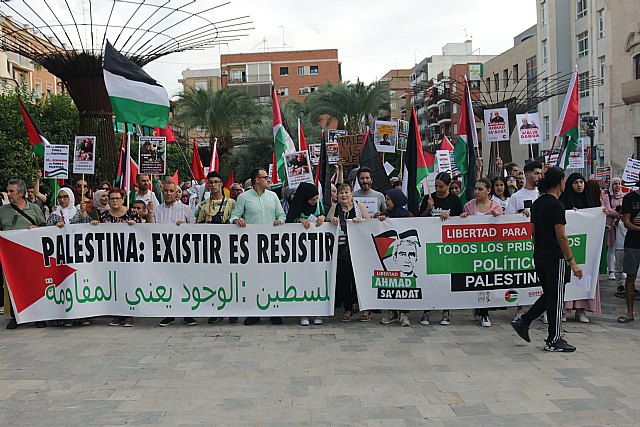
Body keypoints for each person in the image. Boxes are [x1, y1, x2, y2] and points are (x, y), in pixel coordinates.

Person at [511, 167, 583, 352]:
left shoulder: (537, 203)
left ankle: (525, 321)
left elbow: (533, 232)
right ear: (560, 182)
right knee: (556, 298)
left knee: (550, 295)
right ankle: (554, 338)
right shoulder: (556, 205)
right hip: (554, 257)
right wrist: (572, 261)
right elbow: (561, 236)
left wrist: (539, 248)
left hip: (540, 255)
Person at [230, 168, 286, 326]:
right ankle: (254, 313)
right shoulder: (243, 197)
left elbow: (281, 215)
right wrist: (236, 221)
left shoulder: (273, 196)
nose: (268, 180)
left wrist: (280, 221)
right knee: (253, 279)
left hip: (271, 244)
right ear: (257, 180)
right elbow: (235, 215)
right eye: (265, 177)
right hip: (252, 246)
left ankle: (274, 311)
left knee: (272, 278)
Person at [90, 188, 141, 327]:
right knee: (114, 284)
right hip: (111, 257)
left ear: (122, 199)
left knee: (128, 284)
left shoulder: (132, 213)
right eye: (111, 198)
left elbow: (142, 232)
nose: (114, 201)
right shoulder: (104, 215)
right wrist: (95, 225)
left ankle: (129, 313)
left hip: (128, 256)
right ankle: (117, 315)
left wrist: (135, 225)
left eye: (117, 198)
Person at [0, 179, 46, 329]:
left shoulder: (34, 209)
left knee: (34, 285)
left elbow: (45, 228)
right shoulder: (3, 211)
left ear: (21, 193)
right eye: (8, 191)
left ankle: (39, 316)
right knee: (14, 286)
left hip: (31, 255)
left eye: (12, 191)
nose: (9, 194)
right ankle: (16, 317)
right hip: (11, 257)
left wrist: (37, 228)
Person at [419, 172, 462, 326]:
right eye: (436, 186)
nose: (437, 189)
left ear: (449, 185)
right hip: (429, 244)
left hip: (446, 246)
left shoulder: (455, 200)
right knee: (429, 278)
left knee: (445, 279)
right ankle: (427, 310)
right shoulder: (428, 198)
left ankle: (445, 311)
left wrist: (450, 219)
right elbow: (419, 219)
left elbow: (460, 221)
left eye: (441, 186)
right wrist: (428, 208)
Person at [152, 182, 197, 327]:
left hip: (183, 254)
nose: (168, 193)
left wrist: (185, 227)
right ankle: (169, 314)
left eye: (171, 191)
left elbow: (195, 229)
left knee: (184, 283)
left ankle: (187, 314)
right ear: (162, 192)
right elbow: (150, 230)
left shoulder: (186, 209)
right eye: (166, 191)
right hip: (164, 254)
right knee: (167, 283)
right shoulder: (157, 210)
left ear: (176, 192)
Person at [196, 171, 238, 324]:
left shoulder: (231, 203)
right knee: (213, 281)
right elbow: (196, 228)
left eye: (216, 182)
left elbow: (237, 221)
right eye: (211, 182)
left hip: (228, 249)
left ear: (221, 184)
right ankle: (216, 310)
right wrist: (205, 222)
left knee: (230, 280)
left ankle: (233, 310)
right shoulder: (203, 205)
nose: (213, 185)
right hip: (211, 250)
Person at [460, 178, 503, 327]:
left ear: (488, 191)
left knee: (486, 281)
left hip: (489, 252)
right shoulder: (468, 206)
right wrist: (463, 218)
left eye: (480, 189)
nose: (476, 192)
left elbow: (503, 228)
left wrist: (499, 217)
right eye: (475, 189)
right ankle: (477, 307)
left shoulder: (496, 207)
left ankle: (484, 313)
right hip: (473, 251)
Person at [46, 187, 92, 327]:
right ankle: (63, 318)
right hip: (60, 258)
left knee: (78, 286)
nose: (62, 199)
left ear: (71, 197)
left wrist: (86, 214)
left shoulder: (78, 213)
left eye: (65, 196)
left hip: (78, 257)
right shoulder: (54, 215)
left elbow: (88, 227)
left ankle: (81, 316)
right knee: (63, 286)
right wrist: (55, 227)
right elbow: (46, 232)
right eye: (60, 197)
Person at [328, 183, 371, 322]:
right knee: (344, 280)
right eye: (341, 193)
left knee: (359, 280)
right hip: (341, 251)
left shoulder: (359, 206)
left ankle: (365, 308)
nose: (344, 195)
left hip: (359, 250)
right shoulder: (335, 207)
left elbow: (370, 224)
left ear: (352, 193)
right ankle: (348, 309)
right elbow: (327, 220)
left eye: (346, 192)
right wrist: (331, 219)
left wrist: (361, 220)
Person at [285, 182, 326, 326]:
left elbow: (323, 215)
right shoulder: (295, 205)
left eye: (316, 198)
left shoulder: (319, 203)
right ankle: (303, 312)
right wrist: (299, 220)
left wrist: (322, 217)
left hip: (316, 250)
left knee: (316, 279)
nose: (315, 201)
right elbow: (289, 221)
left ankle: (317, 312)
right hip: (300, 251)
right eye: (312, 199)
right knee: (302, 280)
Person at [378, 189, 413, 327]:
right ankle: (393, 312)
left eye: (388, 199)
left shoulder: (408, 216)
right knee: (392, 282)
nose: (385, 202)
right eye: (385, 199)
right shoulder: (384, 216)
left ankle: (404, 314)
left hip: (405, 258)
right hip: (392, 257)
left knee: (405, 283)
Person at [617, 180, 640, 323]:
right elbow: (626, 221)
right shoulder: (629, 198)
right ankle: (630, 312)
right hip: (633, 243)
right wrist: (636, 226)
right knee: (630, 277)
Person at [603, 177, 624, 281]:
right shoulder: (607, 196)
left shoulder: (623, 196)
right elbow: (608, 210)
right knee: (611, 248)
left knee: (620, 249)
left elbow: (624, 209)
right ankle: (611, 271)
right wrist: (619, 213)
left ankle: (620, 270)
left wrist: (618, 214)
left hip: (621, 226)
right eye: (615, 183)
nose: (617, 185)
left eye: (619, 183)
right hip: (611, 225)